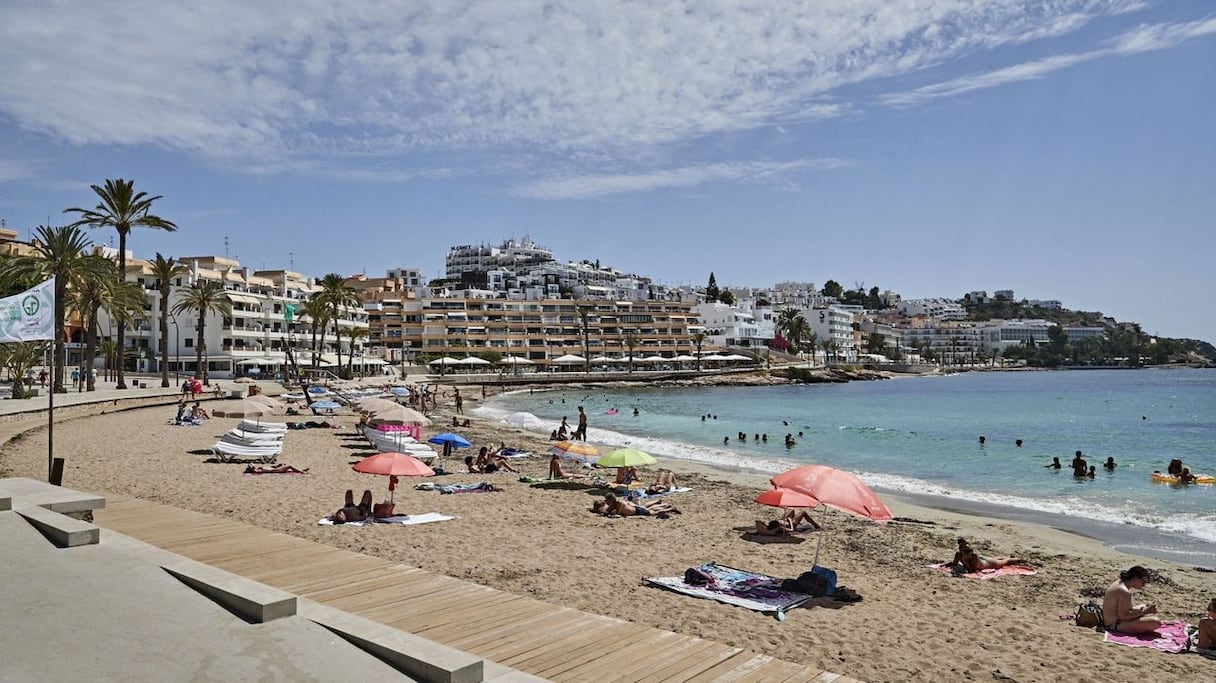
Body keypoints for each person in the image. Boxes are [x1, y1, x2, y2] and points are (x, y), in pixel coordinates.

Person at [1102, 565, 1161, 634]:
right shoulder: (1124, 591)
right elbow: (1124, 616)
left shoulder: (1120, 583)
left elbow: (1126, 610)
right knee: (1156, 622)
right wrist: (1145, 612)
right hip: (1114, 625)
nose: (1144, 585)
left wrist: (1144, 609)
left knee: (1144, 606)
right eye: (1143, 582)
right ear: (1135, 579)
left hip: (1112, 619)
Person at [950, 538, 1026, 573]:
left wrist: (964, 561)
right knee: (995, 558)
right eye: (967, 551)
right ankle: (1009, 557)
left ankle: (1020, 559)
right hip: (983, 559)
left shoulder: (973, 557)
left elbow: (972, 571)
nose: (970, 553)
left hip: (988, 564)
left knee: (1003, 561)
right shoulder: (959, 555)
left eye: (970, 550)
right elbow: (954, 564)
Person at [593, 492, 679, 517]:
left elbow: (618, 513)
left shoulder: (620, 503)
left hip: (636, 511)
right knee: (652, 510)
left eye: (607, 501)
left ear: (611, 500)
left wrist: (610, 514)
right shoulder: (614, 504)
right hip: (634, 510)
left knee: (653, 512)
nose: (606, 503)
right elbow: (608, 511)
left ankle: (670, 509)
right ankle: (668, 508)